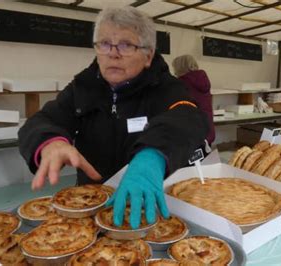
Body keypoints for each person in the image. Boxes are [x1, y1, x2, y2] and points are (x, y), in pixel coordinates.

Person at [18, 6, 208, 229]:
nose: (113, 53)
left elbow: (187, 117)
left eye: (126, 45)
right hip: (90, 204)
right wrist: (50, 141)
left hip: (148, 204)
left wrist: (154, 155)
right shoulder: (82, 87)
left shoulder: (167, 88)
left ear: (148, 55)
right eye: (104, 44)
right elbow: (43, 120)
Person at [172, 55, 215, 146]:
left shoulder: (181, 83)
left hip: (191, 134)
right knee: (205, 158)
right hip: (207, 130)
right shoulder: (203, 80)